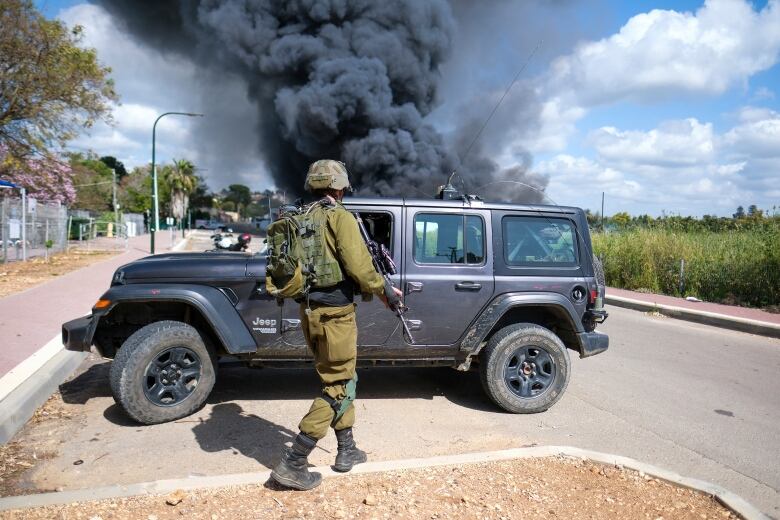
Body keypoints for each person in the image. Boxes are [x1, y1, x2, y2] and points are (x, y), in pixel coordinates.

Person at [270, 159, 403, 491]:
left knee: (343, 376)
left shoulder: (299, 217)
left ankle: (347, 449)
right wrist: (385, 289)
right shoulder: (339, 217)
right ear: (339, 186)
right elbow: (360, 267)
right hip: (336, 316)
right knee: (338, 385)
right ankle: (294, 462)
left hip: (310, 313)